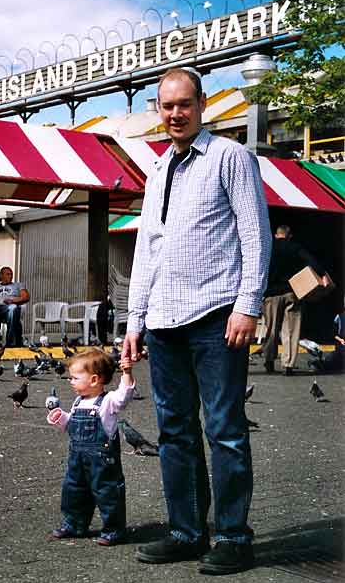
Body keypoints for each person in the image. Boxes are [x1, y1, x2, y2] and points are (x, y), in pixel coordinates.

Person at [122, 67, 272, 575]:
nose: (175, 114)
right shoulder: (159, 170)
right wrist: (134, 320)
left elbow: (255, 235)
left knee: (226, 429)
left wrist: (248, 303)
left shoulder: (231, 157)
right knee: (174, 432)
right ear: (158, 110)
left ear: (202, 105)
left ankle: (233, 536)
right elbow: (148, 250)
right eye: (167, 106)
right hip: (163, 320)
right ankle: (186, 532)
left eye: (184, 104)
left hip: (216, 316)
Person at [47, 347, 135, 545]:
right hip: (77, 458)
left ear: (94, 379)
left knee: (108, 492)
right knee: (73, 489)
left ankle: (114, 529)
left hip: (102, 461)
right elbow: (72, 426)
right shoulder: (78, 402)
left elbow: (124, 395)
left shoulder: (108, 401)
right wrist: (62, 419)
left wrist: (127, 373)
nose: (71, 381)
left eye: (75, 378)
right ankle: (74, 523)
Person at [262, 225, 329, 375]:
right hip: (291, 292)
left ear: (275, 235)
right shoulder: (295, 247)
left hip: (271, 294)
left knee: (271, 329)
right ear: (289, 235)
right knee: (291, 330)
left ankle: (269, 361)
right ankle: (288, 365)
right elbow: (311, 260)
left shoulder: (267, 247)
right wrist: (322, 273)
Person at [0, 266, 29, 347]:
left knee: (13, 308)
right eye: (7, 274)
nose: (10, 276)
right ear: (1, 276)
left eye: (11, 274)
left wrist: (12, 300)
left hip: (12, 308)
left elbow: (26, 297)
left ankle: (10, 341)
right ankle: (14, 340)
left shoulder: (18, 285)